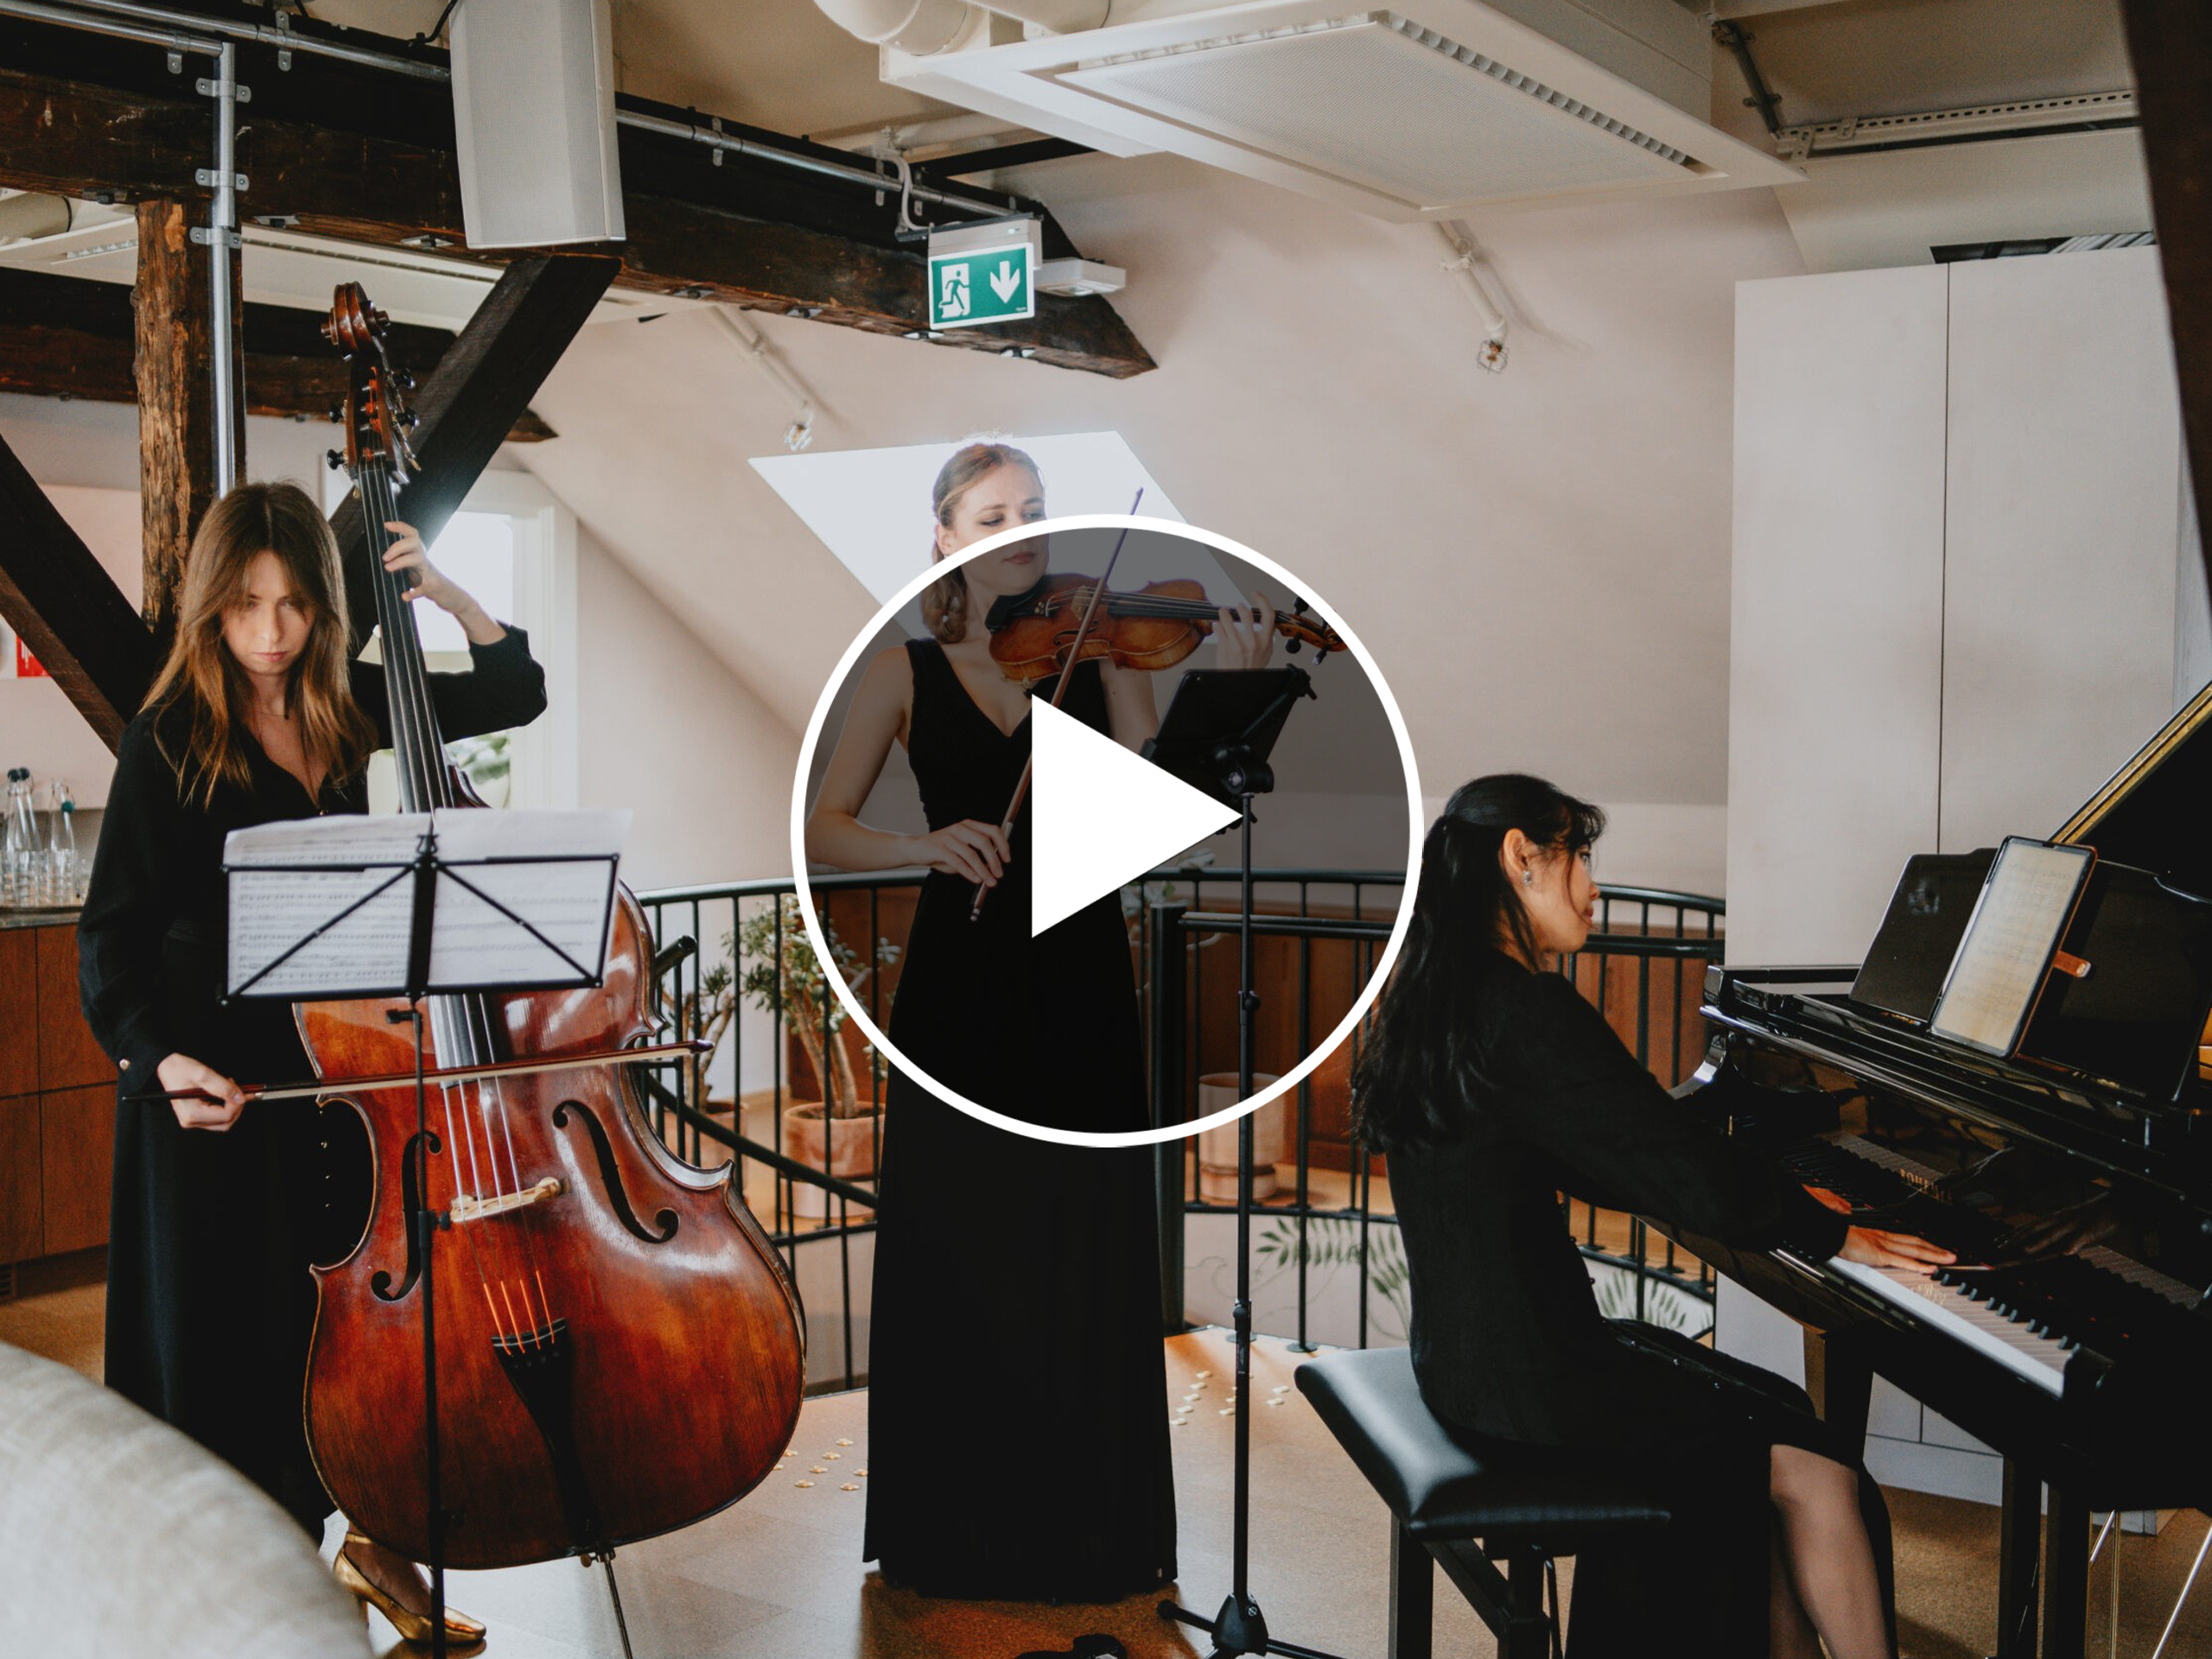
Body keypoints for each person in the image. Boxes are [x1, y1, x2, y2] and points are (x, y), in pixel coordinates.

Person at [77, 480, 546, 1646]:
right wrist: (157, 1062)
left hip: (326, 1072)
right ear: (212, 613)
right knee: (226, 1340)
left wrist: (442, 590)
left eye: (292, 606)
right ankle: (236, 1584)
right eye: (247, 607)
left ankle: (364, 1535)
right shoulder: (168, 736)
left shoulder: (344, 705)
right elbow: (110, 941)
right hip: (211, 1090)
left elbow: (514, 691)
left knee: (329, 1332)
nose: (273, 633)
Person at [802, 441, 1274, 1599]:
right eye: (993, 513)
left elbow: (1166, 808)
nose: (1020, 527)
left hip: (1081, 986)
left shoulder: (1102, 652)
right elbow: (823, 826)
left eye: (1036, 510)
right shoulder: (904, 667)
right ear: (948, 542)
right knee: (964, 1249)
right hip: (958, 994)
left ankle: (1087, 1531)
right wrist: (921, 845)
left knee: (1078, 1252)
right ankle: (952, 1532)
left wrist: (1239, 687)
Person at [1351, 774, 1953, 1659]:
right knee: (1819, 1471)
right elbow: (1672, 1166)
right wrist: (1833, 1233)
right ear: (1520, 857)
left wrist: (1761, 1179)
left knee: (1780, 1407)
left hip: (1469, 1361)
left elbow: (1608, 1147)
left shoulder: (1438, 997)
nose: (1594, 888)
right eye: (1581, 858)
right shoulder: (1525, 1007)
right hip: (1538, 1384)